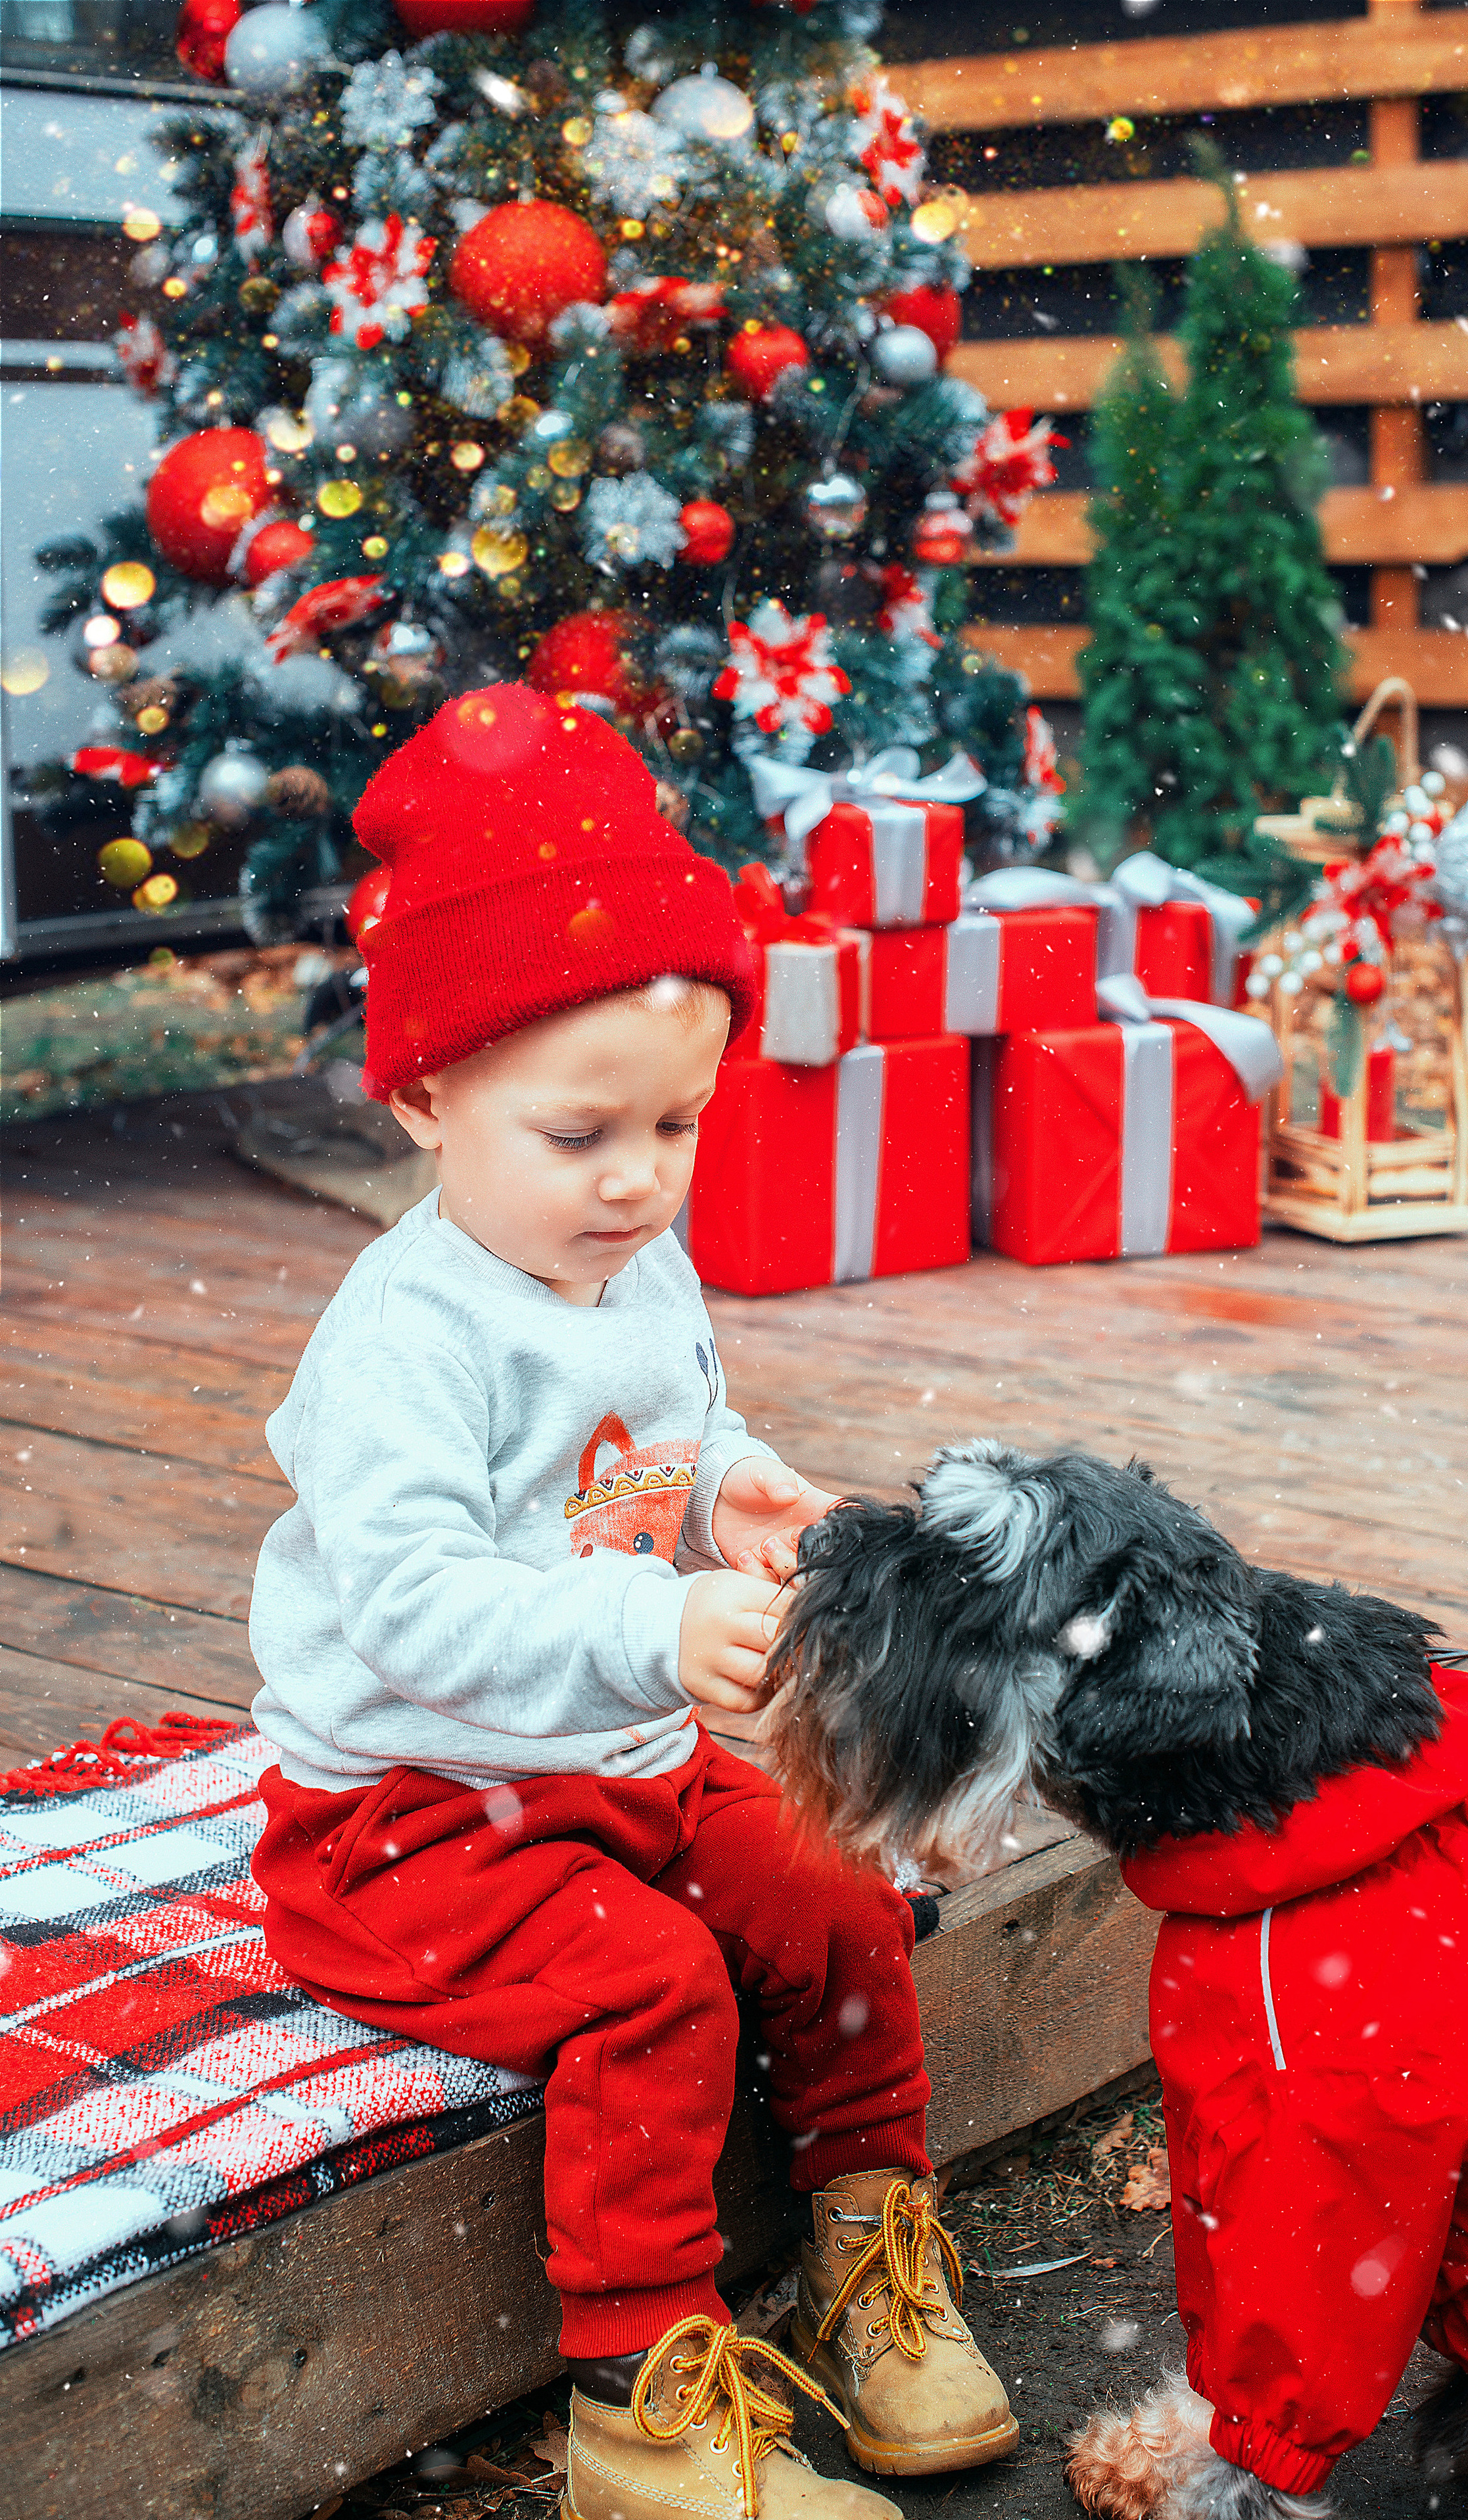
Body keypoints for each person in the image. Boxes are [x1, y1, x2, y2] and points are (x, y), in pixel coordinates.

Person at [248, 685, 1016, 2520]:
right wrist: (647, 1632)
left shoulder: (635, 1257)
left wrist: (726, 1484)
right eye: (584, 1131)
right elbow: (423, 1608)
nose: (640, 1178)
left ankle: (865, 2241)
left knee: (831, 1888)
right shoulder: (404, 1340)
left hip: (617, 1761)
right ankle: (639, 2402)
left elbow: (661, 1434)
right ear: (430, 1094)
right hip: (409, 1818)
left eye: (676, 1122)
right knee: (651, 1981)